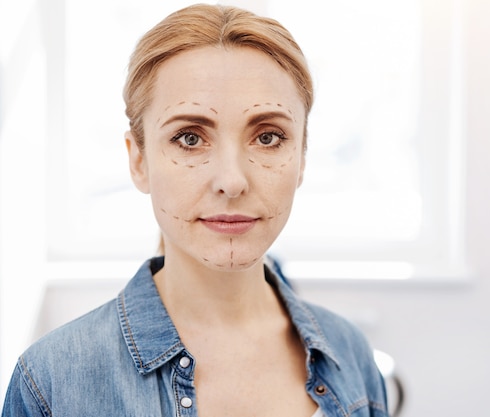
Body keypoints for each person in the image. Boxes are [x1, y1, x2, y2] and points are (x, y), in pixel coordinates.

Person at [1, 4, 388, 417]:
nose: (232, 180)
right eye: (189, 138)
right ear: (138, 161)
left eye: (269, 137)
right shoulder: (52, 382)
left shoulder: (351, 354)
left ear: (303, 158)